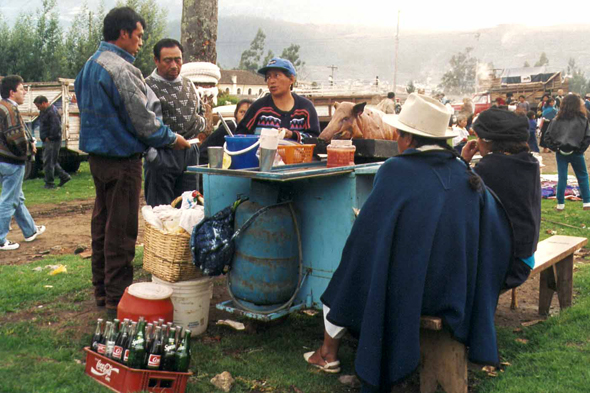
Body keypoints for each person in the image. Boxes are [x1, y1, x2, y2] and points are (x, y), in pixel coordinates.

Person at [304, 93, 513, 392]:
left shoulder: (395, 171)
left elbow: (365, 237)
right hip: (459, 290)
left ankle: (328, 353)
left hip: (412, 294)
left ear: (405, 138)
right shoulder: (465, 173)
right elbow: (495, 232)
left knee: (348, 273)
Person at [75, 7, 190, 315]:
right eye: (139, 36)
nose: (141, 42)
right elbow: (143, 122)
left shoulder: (89, 65)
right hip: (122, 161)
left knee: (102, 227)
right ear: (123, 33)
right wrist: (172, 139)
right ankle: (117, 299)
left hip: (98, 161)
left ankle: (101, 292)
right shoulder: (122, 69)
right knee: (121, 232)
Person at [461, 108, 542, 288]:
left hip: (507, 264)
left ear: (487, 140)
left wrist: (463, 162)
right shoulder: (529, 162)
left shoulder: (488, 169)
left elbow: (458, 194)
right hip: (525, 256)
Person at [144, 38, 201, 207]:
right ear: (156, 60)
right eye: (168, 61)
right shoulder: (146, 86)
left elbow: (199, 114)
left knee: (190, 208)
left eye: (178, 59)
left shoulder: (189, 84)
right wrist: (153, 156)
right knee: (161, 212)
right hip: (162, 155)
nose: (174, 65)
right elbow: (144, 126)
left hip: (190, 154)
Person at [0, 75, 46, 251]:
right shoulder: (10, 110)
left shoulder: (3, 107)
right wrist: (29, 149)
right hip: (12, 162)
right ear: (12, 92)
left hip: (3, 160)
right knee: (8, 200)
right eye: (21, 89)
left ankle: (30, 230)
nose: (25, 92)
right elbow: (15, 137)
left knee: (16, 198)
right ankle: (1, 238)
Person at [235, 57, 320, 142]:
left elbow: (315, 139)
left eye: (276, 75)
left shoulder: (305, 108)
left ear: (291, 79)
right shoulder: (258, 108)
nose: (271, 81)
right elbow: (240, 136)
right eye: (268, 77)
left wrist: (293, 135)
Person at [544, 94, 590, 211]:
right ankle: (587, 203)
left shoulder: (556, 119)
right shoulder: (583, 119)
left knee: (562, 177)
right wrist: (580, 149)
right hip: (577, 152)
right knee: (583, 176)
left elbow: (547, 136)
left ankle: (560, 204)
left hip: (561, 153)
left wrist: (556, 148)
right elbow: (587, 137)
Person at [33, 95, 71, 189]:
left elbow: (56, 127)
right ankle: (64, 176)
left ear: (44, 103)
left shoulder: (52, 112)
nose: (38, 108)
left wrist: (49, 137)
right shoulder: (45, 111)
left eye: (38, 106)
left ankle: (49, 183)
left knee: (48, 162)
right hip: (49, 140)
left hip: (52, 141)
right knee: (51, 161)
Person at [199, 99, 253, 164]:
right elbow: (204, 150)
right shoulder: (230, 127)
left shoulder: (254, 131)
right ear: (236, 114)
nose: (244, 116)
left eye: (248, 113)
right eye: (242, 112)